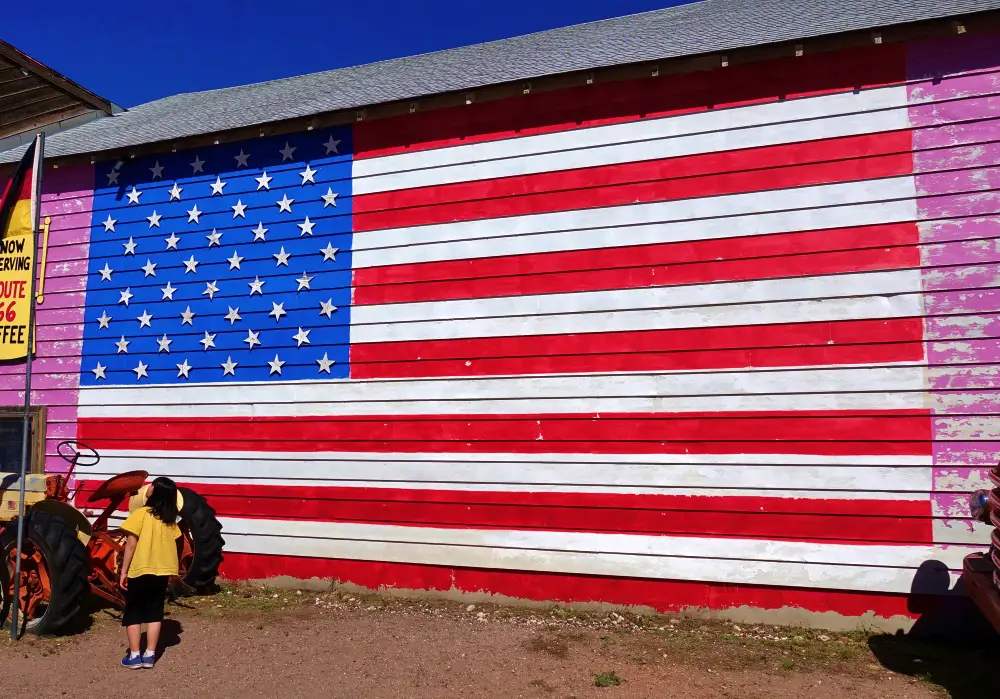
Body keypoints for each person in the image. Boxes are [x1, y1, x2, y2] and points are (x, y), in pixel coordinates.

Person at [118, 476, 182, 669]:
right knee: (155, 612)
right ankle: (150, 655)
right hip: (161, 571)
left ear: (153, 491)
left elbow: (130, 545)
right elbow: (177, 543)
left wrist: (123, 572)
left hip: (140, 570)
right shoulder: (171, 521)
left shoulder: (140, 514)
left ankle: (135, 656)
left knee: (134, 612)